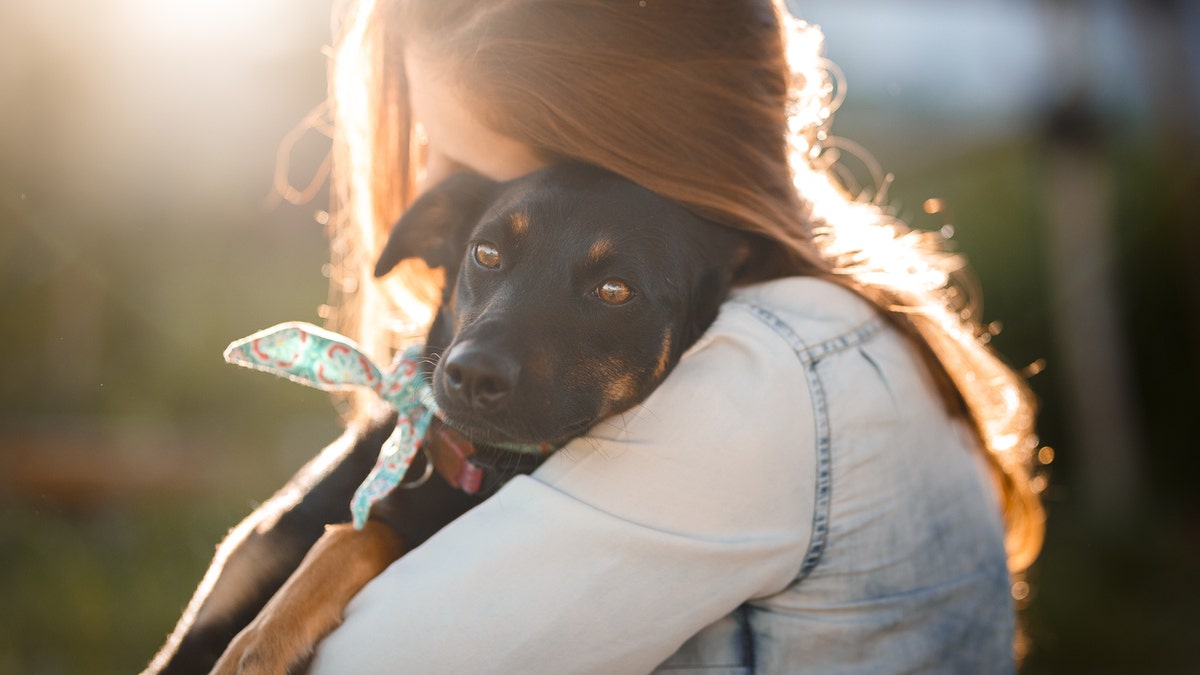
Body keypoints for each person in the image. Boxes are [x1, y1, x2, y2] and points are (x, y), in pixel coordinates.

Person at [286, 0, 1044, 671]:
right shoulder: (831, 324)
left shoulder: (750, 387)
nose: (432, 189)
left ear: (612, 146)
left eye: (460, 157)